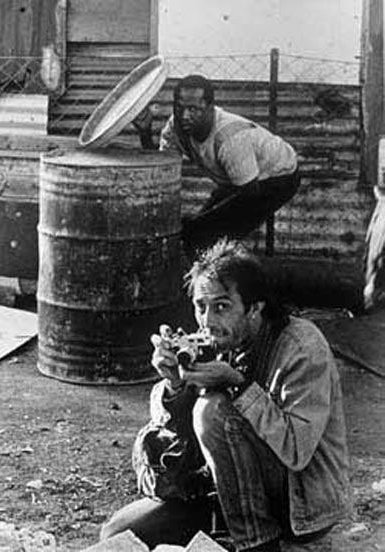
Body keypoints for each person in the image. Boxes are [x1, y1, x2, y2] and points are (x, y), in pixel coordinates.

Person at [100, 239, 350, 552]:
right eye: (200, 307)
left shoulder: (302, 346)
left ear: (254, 308)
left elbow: (297, 450)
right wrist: (174, 385)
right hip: (224, 491)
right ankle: (234, 529)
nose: (208, 322)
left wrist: (238, 384)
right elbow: (178, 447)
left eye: (221, 307)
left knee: (211, 411)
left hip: (298, 506)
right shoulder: (215, 343)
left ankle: (257, 544)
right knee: (118, 533)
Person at [134, 75, 300, 257]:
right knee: (197, 231)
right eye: (179, 108)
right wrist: (145, 132)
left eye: (193, 109)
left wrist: (207, 224)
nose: (185, 116)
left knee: (205, 236)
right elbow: (162, 169)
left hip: (277, 178)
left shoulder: (229, 138)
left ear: (210, 108)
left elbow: (249, 195)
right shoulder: (175, 127)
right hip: (239, 180)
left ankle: (228, 271)